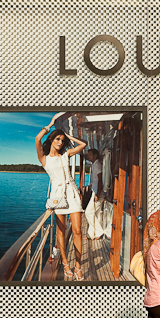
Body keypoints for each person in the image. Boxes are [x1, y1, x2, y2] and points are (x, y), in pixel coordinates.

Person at [35, 116, 87, 281]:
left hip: (72, 194)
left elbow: (83, 145)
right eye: (57, 139)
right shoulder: (44, 159)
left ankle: (78, 267)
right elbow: (37, 138)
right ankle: (65, 262)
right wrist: (50, 126)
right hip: (58, 197)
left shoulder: (66, 154)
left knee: (78, 231)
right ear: (51, 139)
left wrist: (67, 135)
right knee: (61, 231)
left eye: (62, 140)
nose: (60, 142)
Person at [84, 149, 105, 240]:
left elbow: (100, 179)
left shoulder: (97, 165)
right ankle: (91, 234)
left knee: (88, 212)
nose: (88, 156)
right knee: (94, 214)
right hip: (95, 191)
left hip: (97, 193)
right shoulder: (94, 164)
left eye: (90, 154)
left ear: (95, 155)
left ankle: (99, 232)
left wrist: (97, 193)